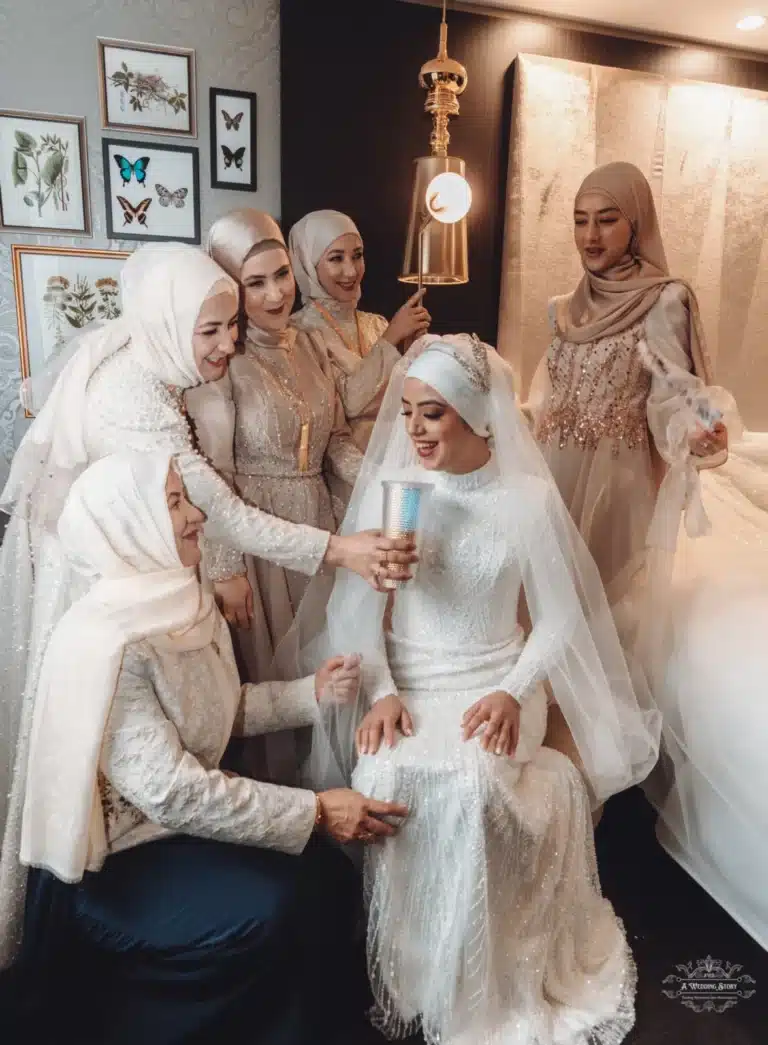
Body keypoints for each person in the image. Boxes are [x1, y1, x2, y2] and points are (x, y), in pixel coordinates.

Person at [0, 242, 414, 970]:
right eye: (213, 328)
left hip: (147, 555)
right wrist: (342, 550)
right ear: (169, 322)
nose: (230, 340)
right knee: (119, 749)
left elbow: (224, 697)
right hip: (117, 561)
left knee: (197, 704)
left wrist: (312, 693)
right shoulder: (130, 394)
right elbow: (214, 506)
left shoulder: (155, 366)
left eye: (233, 324)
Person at [282, 334, 660, 1045]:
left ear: (475, 412)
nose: (414, 430)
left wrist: (516, 692)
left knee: (476, 779)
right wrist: (386, 690)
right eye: (407, 412)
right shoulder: (400, 496)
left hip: (498, 677)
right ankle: (423, 970)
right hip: (413, 677)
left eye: (433, 413)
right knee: (387, 768)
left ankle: (488, 975)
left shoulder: (528, 499)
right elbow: (362, 615)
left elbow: (557, 620)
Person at [5, 451, 408, 1044]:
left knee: (326, 876)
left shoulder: (180, 601)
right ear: (128, 525)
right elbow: (172, 791)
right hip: (126, 861)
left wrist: (311, 694)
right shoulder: (108, 645)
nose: (197, 516)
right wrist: (317, 812)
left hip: (176, 829)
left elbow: (215, 713)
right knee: (279, 904)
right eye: (174, 503)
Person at [525, 161, 737, 775]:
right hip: (553, 480)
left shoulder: (664, 299)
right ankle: (546, 772)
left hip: (614, 489)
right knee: (544, 617)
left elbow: (676, 388)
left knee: (597, 627)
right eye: (580, 221)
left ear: (636, 223)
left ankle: (593, 778)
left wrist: (696, 430)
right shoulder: (563, 308)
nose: (591, 236)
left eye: (608, 220)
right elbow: (548, 395)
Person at [187, 210, 364, 685]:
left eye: (282, 274)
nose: (276, 294)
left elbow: (336, 441)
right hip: (253, 541)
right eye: (256, 283)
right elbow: (210, 474)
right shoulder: (221, 360)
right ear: (231, 288)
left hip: (318, 521)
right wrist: (225, 570)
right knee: (268, 676)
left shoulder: (310, 344)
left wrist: (378, 478)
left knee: (326, 668)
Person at [289, 209, 431, 453]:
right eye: (336, 259)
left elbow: (405, 403)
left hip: (396, 460)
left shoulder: (376, 324)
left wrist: (411, 349)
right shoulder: (297, 333)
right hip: (344, 475)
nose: (352, 271)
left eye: (357, 256)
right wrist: (390, 340)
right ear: (308, 264)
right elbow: (347, 406)